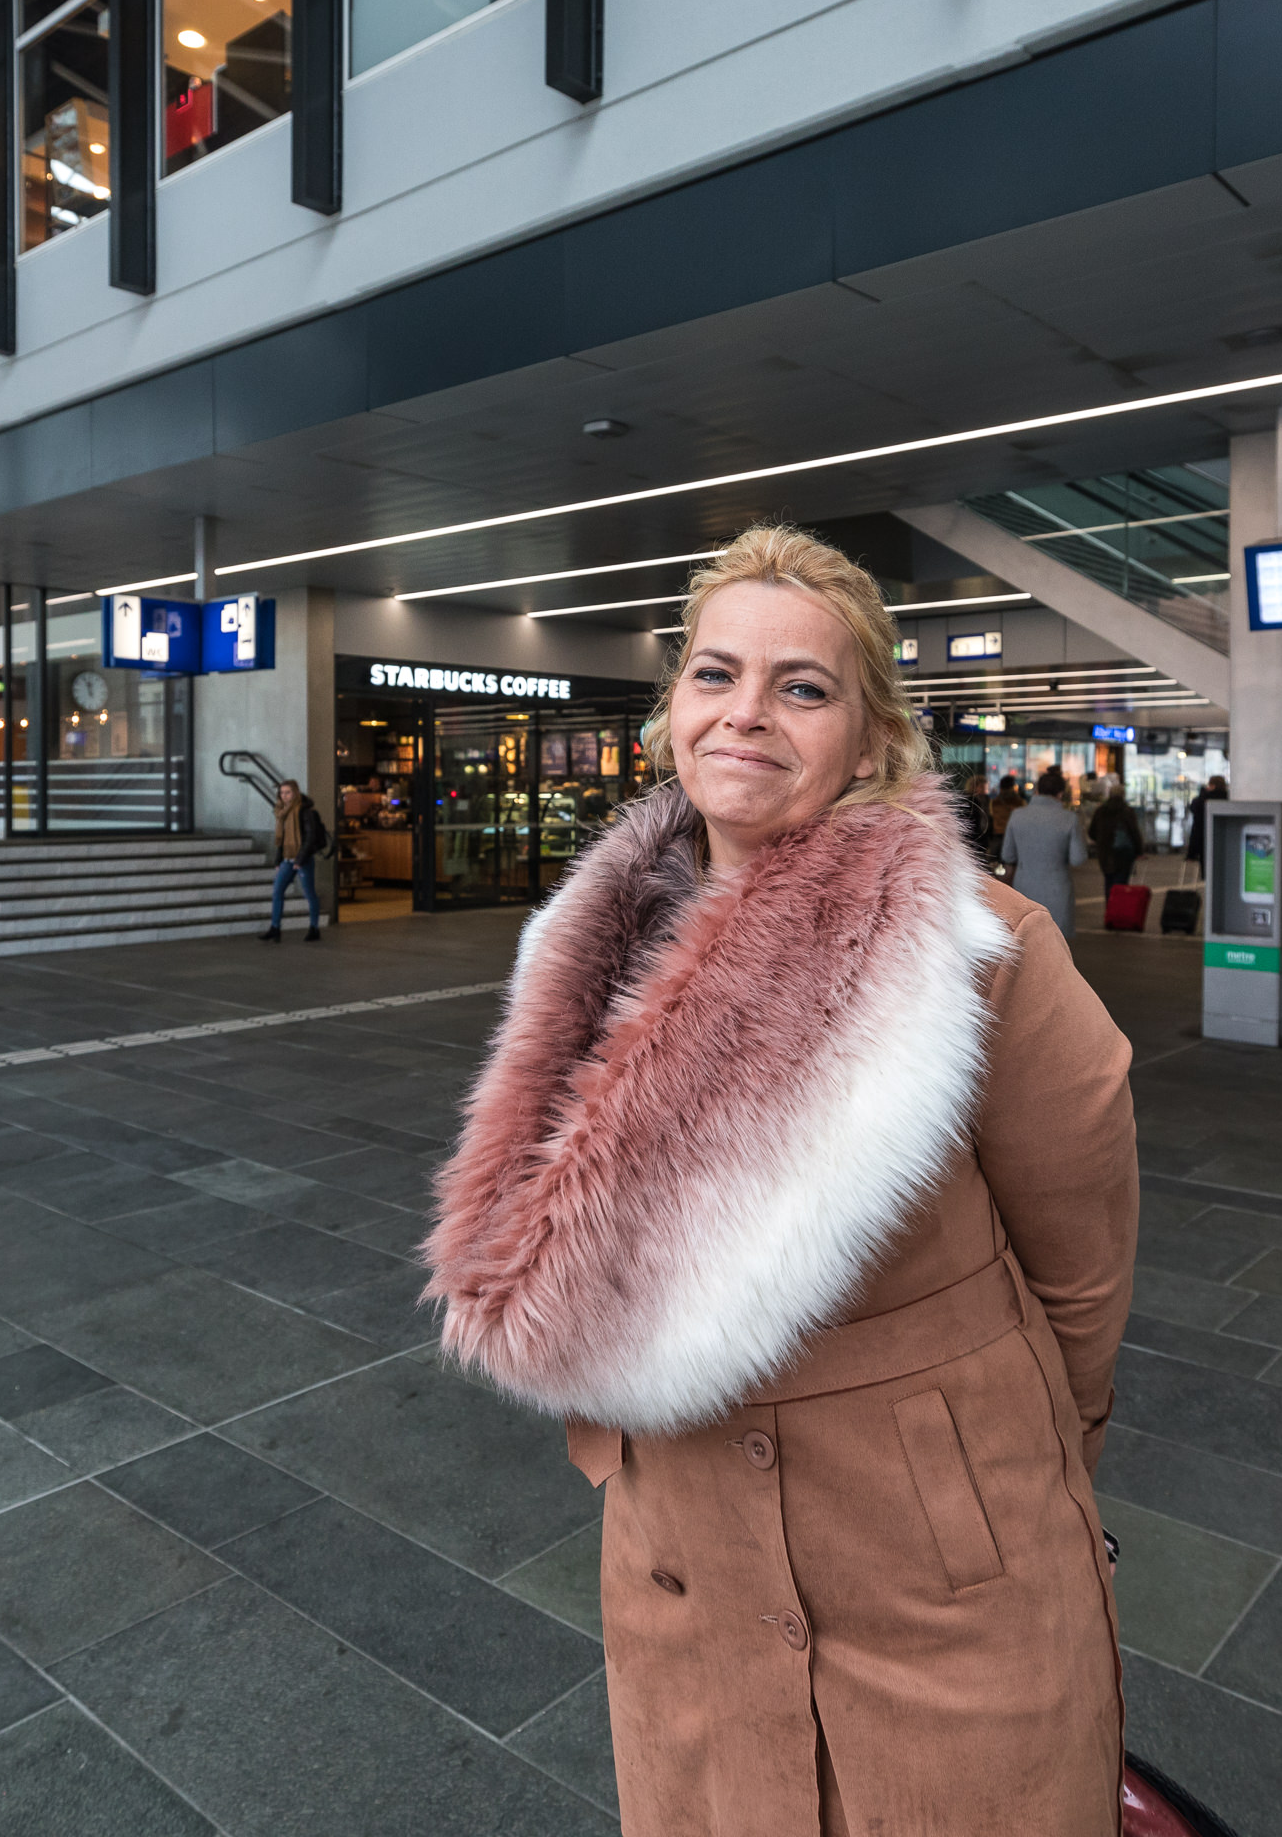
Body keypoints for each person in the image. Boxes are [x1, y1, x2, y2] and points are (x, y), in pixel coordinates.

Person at [426, 525, 1140, 1836]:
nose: (746, 710)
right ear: (673, 713)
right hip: (684, 1562)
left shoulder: (976, 952)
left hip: (940, 1573)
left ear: (869, 743)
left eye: (801, 686)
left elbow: (1082, 1266)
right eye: (716, 674)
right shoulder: (589, 953)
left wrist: (1009, 1466)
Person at [1002, 769, 1090, 937]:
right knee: (1056, 941)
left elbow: (1008, 855)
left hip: (1024, 887)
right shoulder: (1069, 818)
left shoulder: (1017, 815)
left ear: (1037, 790)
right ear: (1060, 793)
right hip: (1058, 889)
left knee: (1027, 940)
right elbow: (1078, 858)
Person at [260, 778, 329, 942]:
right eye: (282, 793)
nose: (284, 796)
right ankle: (275, 928)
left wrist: (300, 859)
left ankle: (314, 928)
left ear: (295, 793)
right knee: (277, 891)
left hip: (302, 859)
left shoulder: (304, 811)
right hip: (287, 859)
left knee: (309, 894)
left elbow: (310, 836)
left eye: (288, 792)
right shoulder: (282, 812)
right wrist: (278, 860)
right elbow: (281, 839)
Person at [1089, 786, 1144, 891]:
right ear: (1123, 795)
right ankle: (1118, 900)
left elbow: (1091, 832)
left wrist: (1101, 841)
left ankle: (1110, 900)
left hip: (1105, 852)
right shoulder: (1127, 811)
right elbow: (1134, 832)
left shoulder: (1100, 811)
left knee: (1108, 880)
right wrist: (1139, 850)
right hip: (1124, 853)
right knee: (1121, 882)